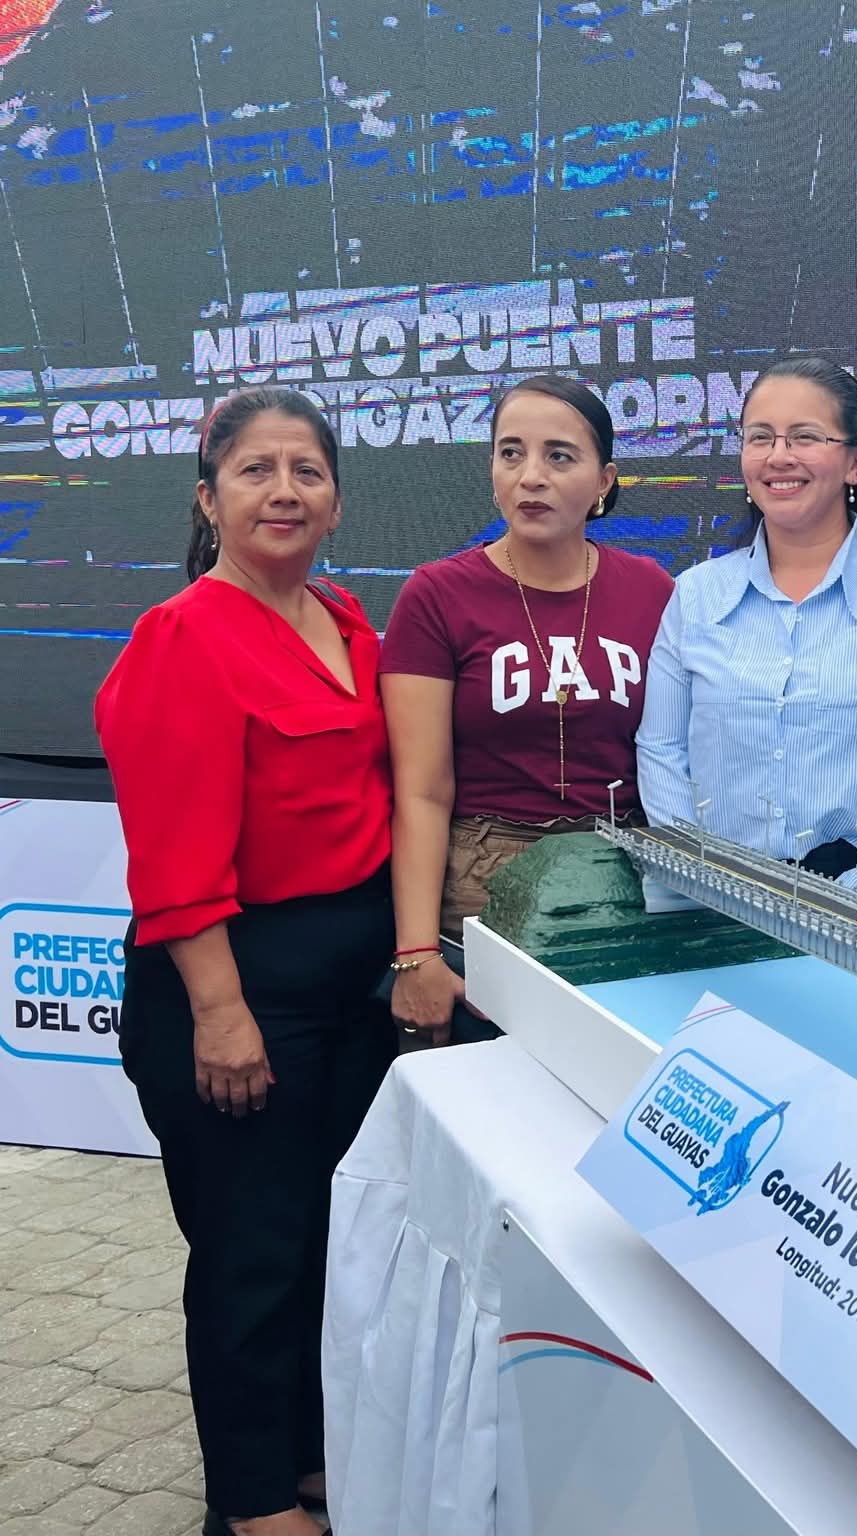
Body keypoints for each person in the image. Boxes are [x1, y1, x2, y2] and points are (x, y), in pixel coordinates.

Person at [96, 388, 394, 1536]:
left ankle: (313, 1460)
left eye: (306, 471)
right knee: (251, 1253)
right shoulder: (182, 637)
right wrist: (220, 1013)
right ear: (206, 498)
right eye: (256, 471)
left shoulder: (345, 621)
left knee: (324, 1242)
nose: (284, 492)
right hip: (233, 991)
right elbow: (175, 857)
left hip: (345, 996)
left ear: (336, 502)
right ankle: (254, 1502)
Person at [379, 376, 674, 1045]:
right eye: (510, 453)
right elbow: (421, 792)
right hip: (481, 896)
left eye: (559, 456)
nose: (530, 476)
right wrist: (416, 953)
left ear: (604, 482)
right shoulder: (437, 595)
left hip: (620, 889)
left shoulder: (652, 589)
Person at [637, 359, 857, 903]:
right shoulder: (696, 595)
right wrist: (701, 877)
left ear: (856, 462)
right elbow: (661, 747)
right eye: (760, 437)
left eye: (804, 437)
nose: (778, 456)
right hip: (706, 899)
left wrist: (856, 904)